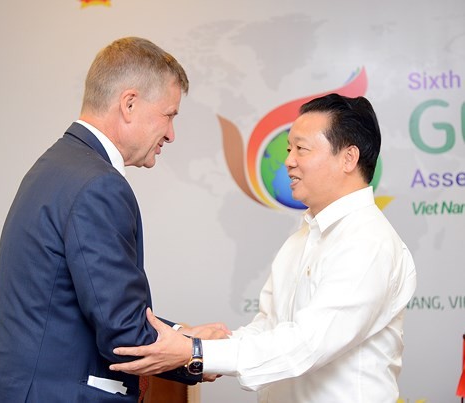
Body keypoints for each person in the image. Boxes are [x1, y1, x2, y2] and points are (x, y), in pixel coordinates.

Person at [110, 93, 417, 402]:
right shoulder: (302, 238)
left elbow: (307, 345)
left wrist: (197, 352)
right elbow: (268, 329)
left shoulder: (368, 242)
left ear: (348, 158)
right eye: (288, 148)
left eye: (301, 149)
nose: (288, 161)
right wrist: (201, 343)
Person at [0, 37, 227, 403]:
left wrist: (180, 333)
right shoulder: (99, 184)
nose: (171, 133)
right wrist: (198, 352)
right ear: (129, 104)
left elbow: (96, 309)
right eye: (169, 115)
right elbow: (124, 334)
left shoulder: (57, 164)